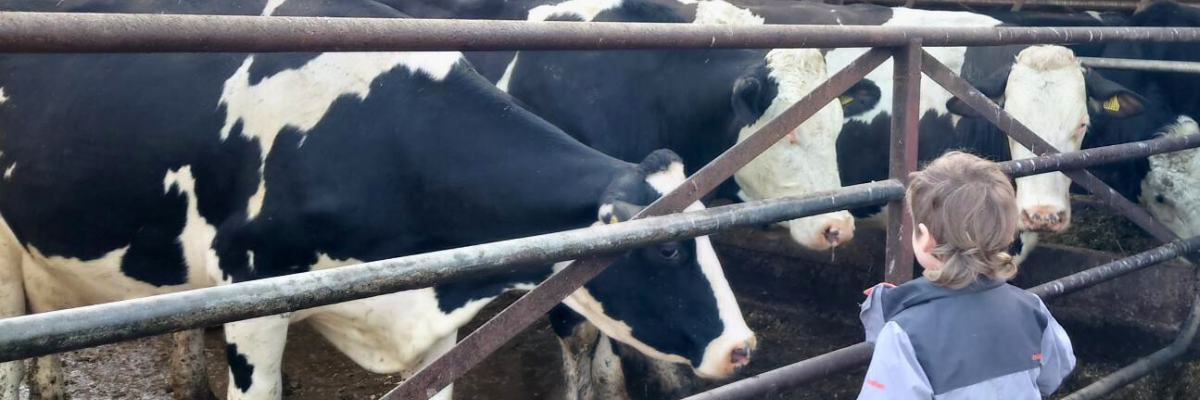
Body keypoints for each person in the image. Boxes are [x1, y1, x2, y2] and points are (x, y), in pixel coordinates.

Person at [856, 151, 1076, 400]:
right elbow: (1057, 371)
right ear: (1006, 235)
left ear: (925, 239)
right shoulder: (1032, 309)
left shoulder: (903, 332)